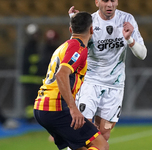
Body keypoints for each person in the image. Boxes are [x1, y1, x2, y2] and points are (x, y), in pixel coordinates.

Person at [68, 0, 147, 145]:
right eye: (105, 0)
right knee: (81, 129)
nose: (109, 4)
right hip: (90, 83)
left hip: (115, 87)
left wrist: (129, 39)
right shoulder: (90, 22)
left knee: (103, 134)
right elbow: (74, 48)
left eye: (113, 0)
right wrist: (77, 24)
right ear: (97, 2)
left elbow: (142, 54)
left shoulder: (127, 19)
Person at [34, 12, 109, 150]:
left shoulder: (64, 46)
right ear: (92, 30)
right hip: (56, 108)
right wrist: (73, 109)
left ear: (70, 30)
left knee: (81, 147)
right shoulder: (78, 48)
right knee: (101, 146)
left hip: (42, 107)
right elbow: (61, 74)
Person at [20, 23, 44, 123]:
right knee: (30, 100)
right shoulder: (30, 47)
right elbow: (31, 62)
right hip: (30, 79)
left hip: (34, 78)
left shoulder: (35, 46)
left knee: (35, 99)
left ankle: (34, 117)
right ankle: (31, 117)